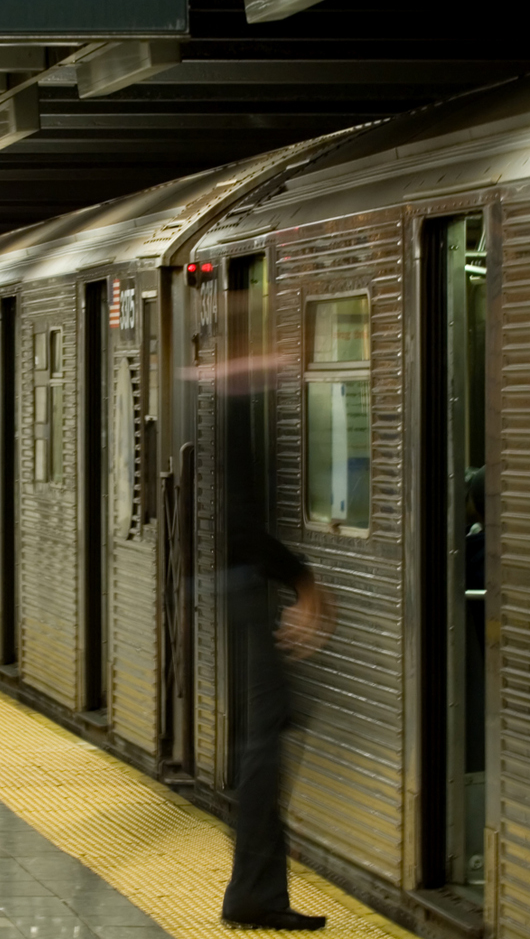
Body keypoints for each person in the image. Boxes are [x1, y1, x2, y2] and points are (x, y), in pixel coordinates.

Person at [218, 357, 336, 931]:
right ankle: (253, 895)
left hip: (243, 583)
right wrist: (302, 579)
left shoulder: (232, 400)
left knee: (270, 735)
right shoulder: (234, 405)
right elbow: (241, 523)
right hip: (246, 585)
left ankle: (256, 890)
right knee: (265, 744)